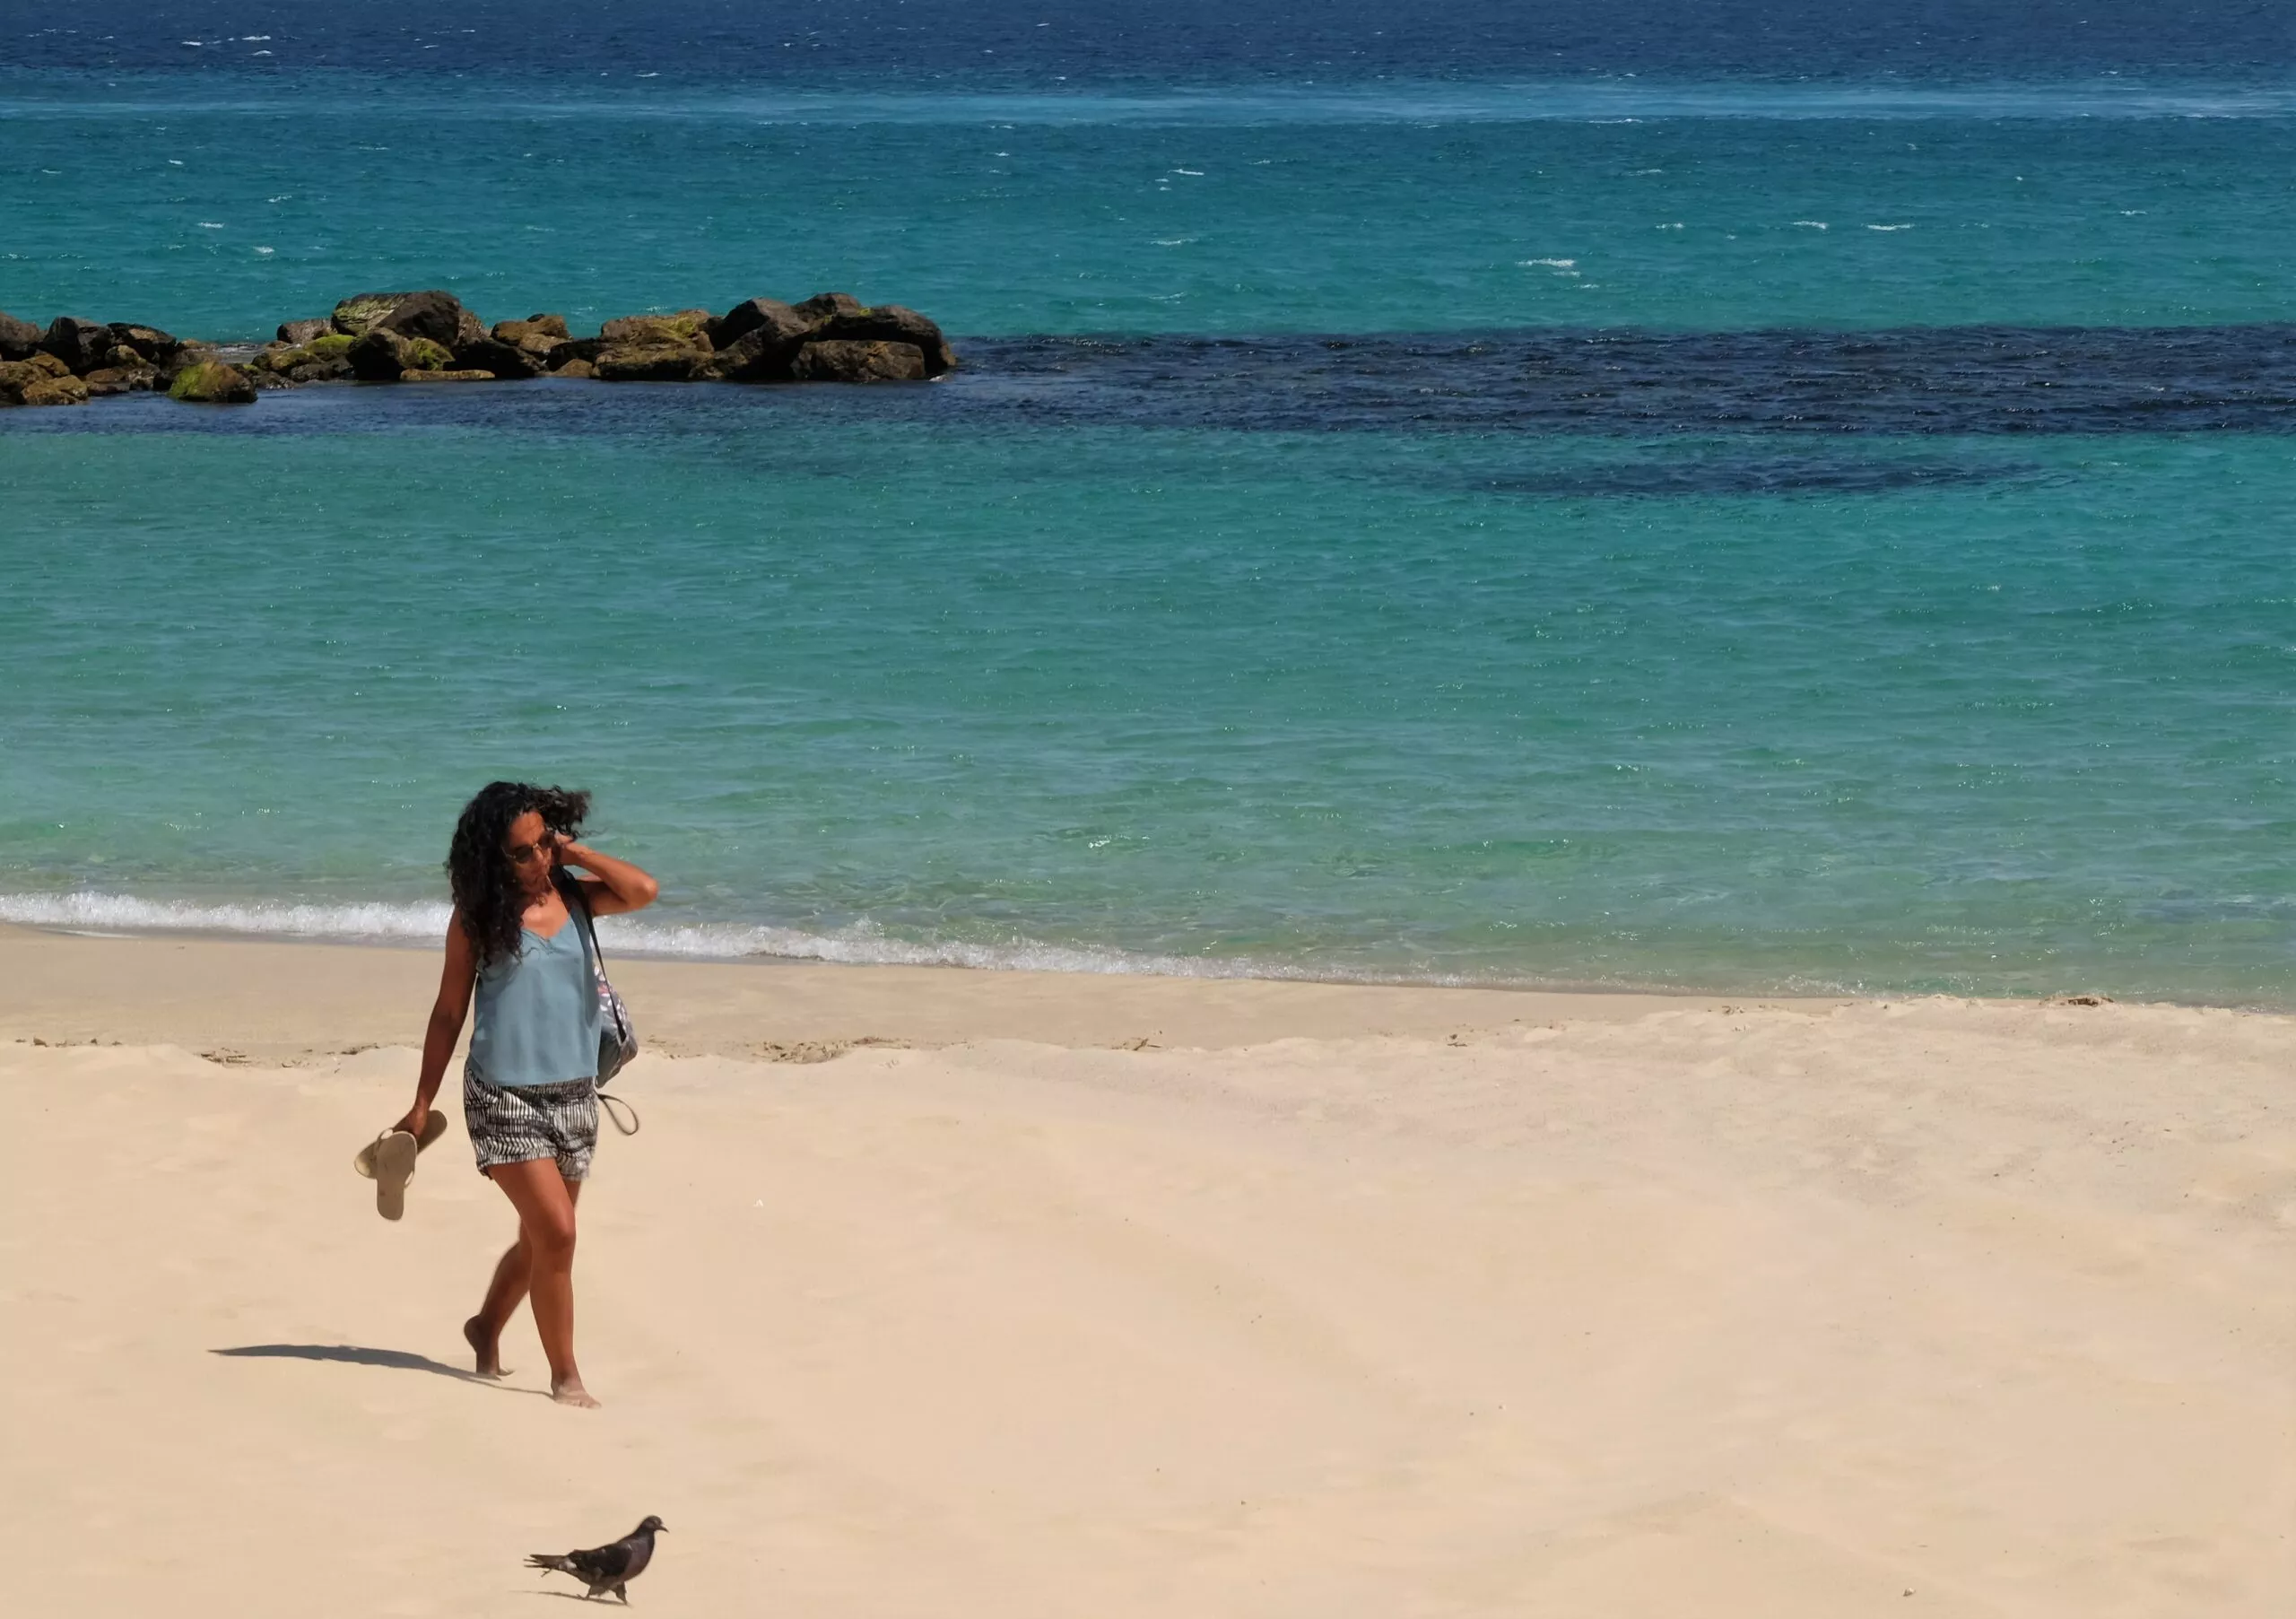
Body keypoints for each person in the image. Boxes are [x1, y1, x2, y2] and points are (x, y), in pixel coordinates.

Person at [392, 781, 658, 1407]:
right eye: (523, 852)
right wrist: (422, 1101)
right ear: (492, 859)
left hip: (574, 1095)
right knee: (559, 1233)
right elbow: (448, 1010)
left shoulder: (577, 898)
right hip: (502, 1096)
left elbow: (643, 891)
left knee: (542, 1236)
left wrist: (578, 855)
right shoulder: (477, 920)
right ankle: (566, 1376)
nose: (538, 859)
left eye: (544, 843)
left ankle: (485, 1325)